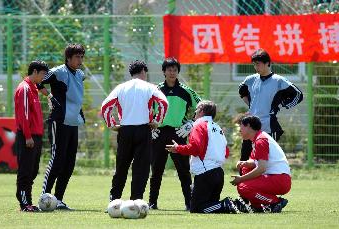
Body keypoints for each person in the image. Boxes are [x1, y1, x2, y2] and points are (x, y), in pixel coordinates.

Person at [100, 60, 168, 203]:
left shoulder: (121, 87)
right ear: (143, 71)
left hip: (125, 130)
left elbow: (105, 107)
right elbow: (163, 103)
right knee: (141, 168)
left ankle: (114, 199)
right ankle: (136, 200)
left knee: (121, 167)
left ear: (131, 73)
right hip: (144, 129)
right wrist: (157, 121)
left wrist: (112, 124)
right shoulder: (150, 87)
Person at [165, 100, 239, 214]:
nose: (195, 112)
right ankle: (228, 205)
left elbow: (196, 149)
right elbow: (226, 152)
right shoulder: (217, 127)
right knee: (211, 207)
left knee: (197, 209)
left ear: (202, 111)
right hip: (219, 173)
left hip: (206, 174)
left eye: (197, 109)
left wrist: (178, 148)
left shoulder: (199, 124)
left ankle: (227, 204)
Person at [37, 43, 86, 210]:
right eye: (77, 57)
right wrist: (49, 96)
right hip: (59, 121)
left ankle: (58, 199)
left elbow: (77, 97)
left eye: (81, 56)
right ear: (68, 58)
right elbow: (38, 82)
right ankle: (45, 197)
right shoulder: (58, 72)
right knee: (57, 160)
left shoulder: (80, 74)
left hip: (73, 123)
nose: (80, 60)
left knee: (69, 163)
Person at [149, 57, 201, 211]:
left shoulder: (186, 91)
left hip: (178, 132)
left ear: (178, 72)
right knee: (156, 169)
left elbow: (203, 107)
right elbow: (146, 108)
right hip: (158, 133)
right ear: (164, 72)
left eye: (175, 70)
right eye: (169, 69)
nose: (172, 72)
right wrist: (150, 126)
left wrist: (191, 123)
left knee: (183, 170)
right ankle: (152, 202)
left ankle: (189, 203)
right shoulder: (156, 90)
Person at [238, 48, 303, 162]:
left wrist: (283, 103)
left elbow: (298, 95)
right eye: (254, 65)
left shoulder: (278, 81)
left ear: (267, 63)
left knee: (266, 160)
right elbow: (241, 90)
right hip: (250, 127)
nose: (255, 67)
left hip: (268, 127)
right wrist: (251, 105)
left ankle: (266, 179)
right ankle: (244, 180)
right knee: (245, 158)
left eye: (258, 64)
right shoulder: (250, 79)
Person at [230, 115, 291, 213]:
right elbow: (255, 163)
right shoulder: (259, 137)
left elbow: (261, 168)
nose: (239, 130)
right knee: (245, 169)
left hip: (280, 179)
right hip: (278, 178)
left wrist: (241, 179)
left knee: (243, 187)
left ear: (248, 126)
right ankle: (257, 206)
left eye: (241, 126)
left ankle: (274, 202)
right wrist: (244, 163)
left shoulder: (260, 140)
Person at [14, 60, 49, 212]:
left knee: (33, 170)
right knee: (25, 171)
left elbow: (45, 93)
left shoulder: (33, 87)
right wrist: (27, 136)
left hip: (36, 135)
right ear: (35, 72)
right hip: (28, 136)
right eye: (42, 74)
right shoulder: (25, 89)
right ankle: (24, 203)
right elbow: (24, 115)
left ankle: (27, 201)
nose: (44, 78)